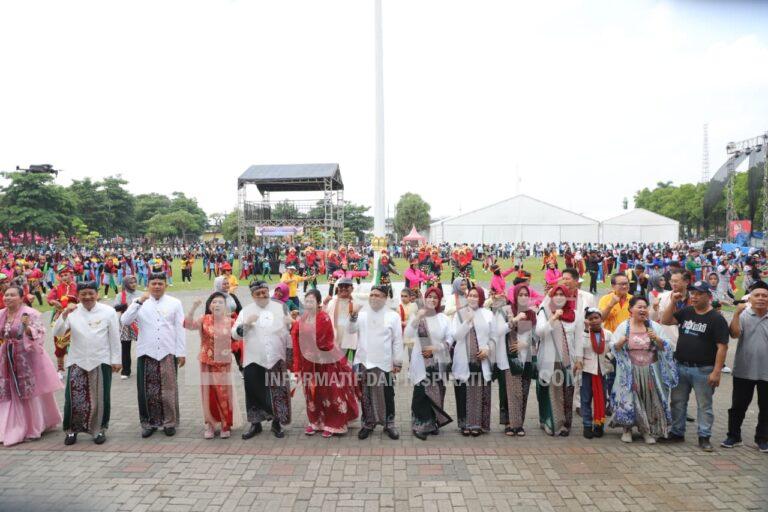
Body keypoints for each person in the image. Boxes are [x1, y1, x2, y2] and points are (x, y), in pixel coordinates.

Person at [660, 280, 729, 451]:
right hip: (681, 366)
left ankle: (704, 436)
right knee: (677, 402)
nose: (694, 296)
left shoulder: (716, 318)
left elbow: (722, 347)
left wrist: (717, 371)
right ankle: (677, 432)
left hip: (703, 369)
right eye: (692, 293)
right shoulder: (687, 311)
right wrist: (673, 302)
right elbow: (666, 320)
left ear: (708, 296)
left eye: (699, 293)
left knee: (704, 405)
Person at [53, 281, 121, 445]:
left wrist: (116, 360)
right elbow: (58, 332)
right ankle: (71, 430)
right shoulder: (72, 312)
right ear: (78, 296)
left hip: (101, 360)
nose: (87, 297)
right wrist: (63, 314)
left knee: (101, 398)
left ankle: (99, 430)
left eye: (91, 293)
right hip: (77, 360)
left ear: (97, 294)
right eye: (83, 294)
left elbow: (114, 337)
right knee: (73, 398)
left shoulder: (108, 311)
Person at [122, 272, 186, 438]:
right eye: (153, 283)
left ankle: (169, 423)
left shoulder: (175, 303)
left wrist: (181, 352)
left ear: (165, 285)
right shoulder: (139, 303)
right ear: (148, 285)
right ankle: (149, 423)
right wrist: (138, 302)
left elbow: (180, 328)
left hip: (167, 351)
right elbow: (125, 321)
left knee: (168, 389)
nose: (157, 286)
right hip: (146, 352)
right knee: (147, 391)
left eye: (160, 283)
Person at [609, 297, 678, 444]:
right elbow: (613, 347)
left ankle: (646, 430)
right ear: (630, 310)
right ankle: (627, 430)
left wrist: (658, 340)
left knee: (650, 398)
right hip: (630, 371)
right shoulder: (624, 326)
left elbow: (667, 346)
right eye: (639, 307)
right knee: (629, 399)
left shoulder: (654, 326)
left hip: (650, 371)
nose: (642, 310)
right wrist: (619, 343)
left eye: (645, 307)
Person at [0, 285, 63, 446]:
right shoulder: (2, 314)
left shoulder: (31, 313)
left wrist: (27, 328)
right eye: (6, 295)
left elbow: (40, 333)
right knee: (10, 390)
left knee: (30, 391)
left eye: (12, 295)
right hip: (7, 357)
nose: (7, 298)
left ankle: (33, 426)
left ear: (22, 297)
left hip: (27, 357)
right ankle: (9, 426)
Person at [292, 289, 359, 438]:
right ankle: (315, 422)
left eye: (312, 301)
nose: (309, 304)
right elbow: (296, 342)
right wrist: (297, 367)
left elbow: (323, 342)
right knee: (311, 395)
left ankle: (334, 424)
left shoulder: (324, 318)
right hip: (308, 364)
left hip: (326, 362)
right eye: (307, 301)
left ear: (318, 303)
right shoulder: (301, 319)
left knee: (330, 392)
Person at [232, 280, 292, 439]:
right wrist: (246, 324)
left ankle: (277, 423)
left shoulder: (280, 308)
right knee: (253, 391)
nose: (262, 295)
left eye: (264, 292)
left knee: (278, 390)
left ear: (268, 291)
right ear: (252, 295)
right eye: (258, 293)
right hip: (254, 358)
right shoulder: (245, 311)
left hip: (276, 356)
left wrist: (290, 326)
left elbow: (289, 331)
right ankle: (255, 424)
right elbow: (234, 334)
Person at [349, 285, 404, 440]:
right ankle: (368, 424)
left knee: (387, 395)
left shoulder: (393, 316)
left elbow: (397, 341)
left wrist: (398, 362)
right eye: (371, 295)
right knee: (366, 395)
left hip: (384, 363)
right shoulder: (362, 314)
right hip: (364, 362)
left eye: (377, 295)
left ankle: (389, 425)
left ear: (385, 298)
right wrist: (353, 316)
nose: (373, 298)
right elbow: (350, 330)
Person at [185, 292, 241, 439]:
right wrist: (193, 308)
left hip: (223, 363)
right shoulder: (204, 319)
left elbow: (237, 340)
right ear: (210, 306)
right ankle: (209, 424)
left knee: (223, 393)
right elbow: (188, 325)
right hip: (206, 362)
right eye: (214, 302)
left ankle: (225, 424)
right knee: (208, 394)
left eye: (220, 302)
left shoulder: (231, 322)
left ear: (225, 306)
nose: (217, 305)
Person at [722, 281, 768, 452]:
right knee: (738, 406)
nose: (761, 298)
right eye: (757, 295)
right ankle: (733, 436)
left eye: (765, 295)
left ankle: (762, 438)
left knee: (766, 408)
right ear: (751, 298)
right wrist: (735, 314)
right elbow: (734, 334)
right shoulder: (744, 315)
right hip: (744, 369)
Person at [406, 286, 453, 440]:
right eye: (429, 297)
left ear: (439, 300)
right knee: (421, 393)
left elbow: (450, 339)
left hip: (438, 362)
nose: (432, 300)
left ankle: (432, 424)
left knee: (436, 393)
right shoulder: (419, 315)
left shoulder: (443, 319)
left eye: (435, 297)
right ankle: (419, 425)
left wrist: (435, 348)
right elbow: (407, 334)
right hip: (421, 362)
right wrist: (417, 318)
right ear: (425, 299)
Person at [535, 285, 581, 436]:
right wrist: (553, 319)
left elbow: (579, 339)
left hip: (569, 361)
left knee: (567, 392)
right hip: (551, 360)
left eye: (563, 294)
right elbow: (539, 333)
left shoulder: (575, 314)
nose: (559, 297)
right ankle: (553, 423)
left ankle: (565, 423)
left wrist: (579, 359)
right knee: (553, 393)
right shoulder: (545, 312)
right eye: (556, 294)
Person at [494, 284, 536, 436]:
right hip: (509, 358)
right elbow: (497, 331)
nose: (524, 297)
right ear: (515, 296)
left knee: (523, 392)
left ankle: (518, 422)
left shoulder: (531, 313)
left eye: (526, 295)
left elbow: (535, 336)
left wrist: (526, 344)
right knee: (512, 392)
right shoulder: (505, 311)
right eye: (521, 294)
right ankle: (512, 424)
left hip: (526, 359)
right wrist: (514, 320)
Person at [450, 286, 493, 436]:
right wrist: (467, 322)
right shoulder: (460, 314)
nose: (473, 298)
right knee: (463, 391)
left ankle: (478, 424)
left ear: (481, 298)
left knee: (479, 390)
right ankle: (464, 424)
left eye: (476, 296)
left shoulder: (488, 314)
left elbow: (494, 336)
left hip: (481, 358)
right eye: (470, 295)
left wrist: (488, 348)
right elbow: (456, 336)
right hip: (463, 358)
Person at [580, 308, 613, 439]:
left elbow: (613, 349)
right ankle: (587, 425)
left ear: (601, 318)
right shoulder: (583, 334)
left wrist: (608, 358)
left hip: (602, 371)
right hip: (587, 371)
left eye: (596, 318)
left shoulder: (608, 334)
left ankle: (599, 425)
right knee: (586, 399)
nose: (594, 321)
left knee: (602, 398)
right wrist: (586, 331)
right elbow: (581, 347)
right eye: (591, 318)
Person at [47, 265, 79, 379]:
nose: (64, 277)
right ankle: (60, 369)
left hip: (76, 317)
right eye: (62, 275)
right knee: (59, 343)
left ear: (71, 275)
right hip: (61, 317)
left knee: (76, 342)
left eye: (66, 275)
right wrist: (54, 302)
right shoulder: (56, 288)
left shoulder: (77, 287)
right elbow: (50, 299)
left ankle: (76, 367)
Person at [323, 278, 358, 363]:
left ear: (352, 288)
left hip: (351, 339)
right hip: (335, 340)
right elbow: (322, 317)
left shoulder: (356, 302)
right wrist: (324, 303)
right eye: (341, 286)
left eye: (346, 286)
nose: (343, 288)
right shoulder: (331, 301)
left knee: (351, 366)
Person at [114, 275, 141, 380]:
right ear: (126, 284)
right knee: (125, 347)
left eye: (135, 282)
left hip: (139, 323)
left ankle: (144, 367)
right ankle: (126, 370)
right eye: (131, 282)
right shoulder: (121, 295)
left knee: (143, 345)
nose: (133, 284)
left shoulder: (141, 294)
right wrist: (124, 306)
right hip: (125, 324)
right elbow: (115, 307)